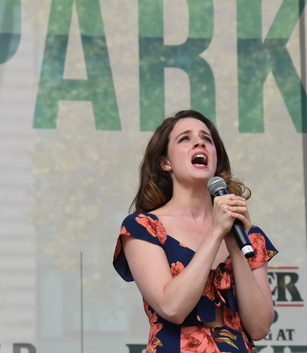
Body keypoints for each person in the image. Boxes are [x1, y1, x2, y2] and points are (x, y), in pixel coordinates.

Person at [113, 110, 278, 353]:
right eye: (185, 139)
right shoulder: (143, 226)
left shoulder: (248, 234)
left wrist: (234, 246)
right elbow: (172, 308)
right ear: (165, 162)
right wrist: (215, 233)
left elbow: (259, 328)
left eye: (206, 139)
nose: (199, 142)